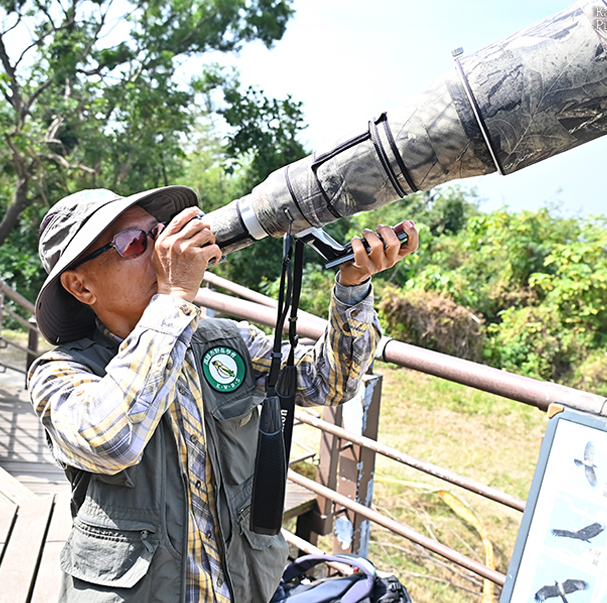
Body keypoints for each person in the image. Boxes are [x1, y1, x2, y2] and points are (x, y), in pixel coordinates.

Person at [28, 186, 418, 603]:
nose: (162, 249)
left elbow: (330, 381)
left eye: (158, 232)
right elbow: (111, 440)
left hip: (244, 587)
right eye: (134, 243)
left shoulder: (224, 341)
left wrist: (352, 288)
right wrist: (174, 297)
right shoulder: (60, 374)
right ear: (81, 287)